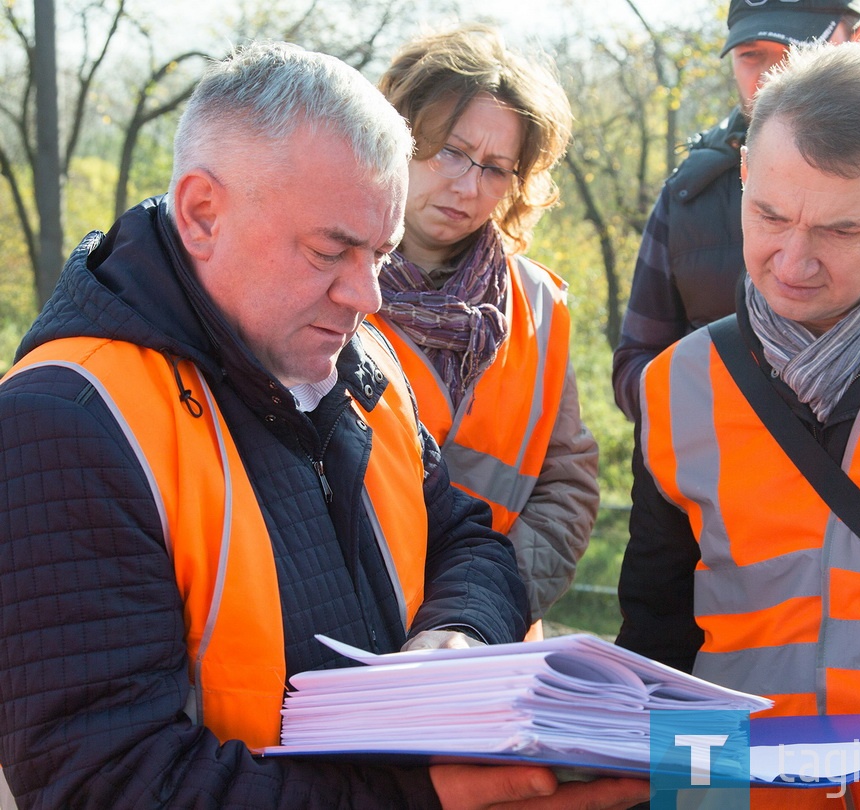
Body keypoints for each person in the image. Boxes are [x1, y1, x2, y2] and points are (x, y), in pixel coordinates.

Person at [0, 41, 648, 810]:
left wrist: (459, 633)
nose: (367, 295)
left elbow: (467, 539)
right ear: (203, 213)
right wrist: (421, 797)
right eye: (331, 250)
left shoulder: (360, 365)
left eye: (379, 252)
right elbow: (111, 780)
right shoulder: (64, 423)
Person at [616, 41, 860, 808]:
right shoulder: (675, 387)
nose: (792, 261)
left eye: (841, 231)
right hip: (728, 798)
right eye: (770, 215)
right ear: (747, 178)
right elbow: (658, 645)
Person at [611, 0, 860, 422]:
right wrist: (727, 415)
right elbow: (636, 363)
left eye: (798, 51)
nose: (771, 77)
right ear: (746, 173)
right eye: (750, 55)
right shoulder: (689, 193)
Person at [371, 25, 599, 638]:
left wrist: (481, 613)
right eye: (450, 150)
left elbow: (566, 487)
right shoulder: (321, 276)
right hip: (337, 643)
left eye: (496, 168)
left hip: (482, 656)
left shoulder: (539, 307)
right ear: (397, 135)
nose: (468, 186)